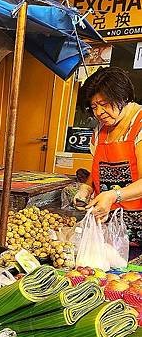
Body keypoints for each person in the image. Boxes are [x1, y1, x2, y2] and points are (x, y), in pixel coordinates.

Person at [74, 67, 142, 242]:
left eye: (104, 104)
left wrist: (113, 195)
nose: (99, 113)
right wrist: (87, 187)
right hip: (109, 224)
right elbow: (97, 169)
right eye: (94, 107)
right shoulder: (101, 129)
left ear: (123, 97)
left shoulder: (139, 125)